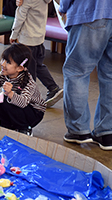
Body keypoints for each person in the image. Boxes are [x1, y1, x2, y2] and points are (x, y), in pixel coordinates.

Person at [59, 0, 112, 150]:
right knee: (110, 76)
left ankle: (78, 130)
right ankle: (107, 132)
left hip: (91, 12)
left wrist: (63, 7)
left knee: (76, 73)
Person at [0, 44, 46, 136]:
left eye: (8, 62)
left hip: (34, 113)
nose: (2, 63)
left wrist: (10, 93)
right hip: (19, 108)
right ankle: (6, 125)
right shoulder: (4, 74)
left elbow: (23, 102)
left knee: (9, 101)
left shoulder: (28, 82)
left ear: (20, 68)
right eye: (3, 59)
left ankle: (24, 128)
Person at [10, 0, 63, 108]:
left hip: (28, 40)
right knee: (37, 66)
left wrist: (13, 34)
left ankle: (29, 99)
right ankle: (53, 88)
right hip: (39, 39)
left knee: (28, 71)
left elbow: (20, 17)